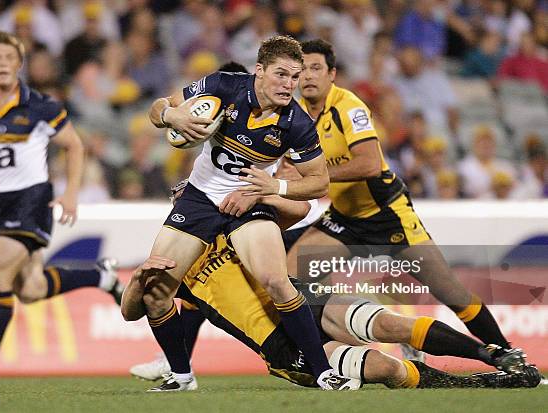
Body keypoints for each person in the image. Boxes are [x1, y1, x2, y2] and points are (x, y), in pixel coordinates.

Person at [287, 38, 521, 361]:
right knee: (295, 272)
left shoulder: (348, 106)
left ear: (332, 74)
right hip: (344, 216)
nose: (308, 76)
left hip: (386, 212)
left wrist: (311, 177)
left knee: (451, 293)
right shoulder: (295, 115)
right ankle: (342, 353)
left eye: (316, 68)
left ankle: (511, 355)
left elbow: (368, 164)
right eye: (303, 70)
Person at [142, 35, 346, 391]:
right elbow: (159, 107)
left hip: (250, 202)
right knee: (156, 291)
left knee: (276, 280)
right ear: (259, 71)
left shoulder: (296, 123)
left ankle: (324, 371)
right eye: (281, 74)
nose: (289, 84)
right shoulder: (223, 85)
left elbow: (319, 183)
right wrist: (173, 114)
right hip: (199, 199)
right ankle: (181, 375)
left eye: (295, 77)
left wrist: (274, 188)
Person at [0, 32, 123, 385]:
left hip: (33, 198)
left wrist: (71, 193)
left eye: (9, 58)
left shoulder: (41, 105)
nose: (2, 64)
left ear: (18, 65)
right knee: (31, 289)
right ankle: (101, 275)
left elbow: (74, 146)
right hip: (1, 202)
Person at [123, 241, 540, 390]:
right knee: (386, 369)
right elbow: (131, 312)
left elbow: (292, 215)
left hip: (303, 299)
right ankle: (467, 385)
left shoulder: (235, 227)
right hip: (279, 344)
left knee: (389, 323)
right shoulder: (176, 270)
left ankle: (494, 356)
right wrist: (139, 279)